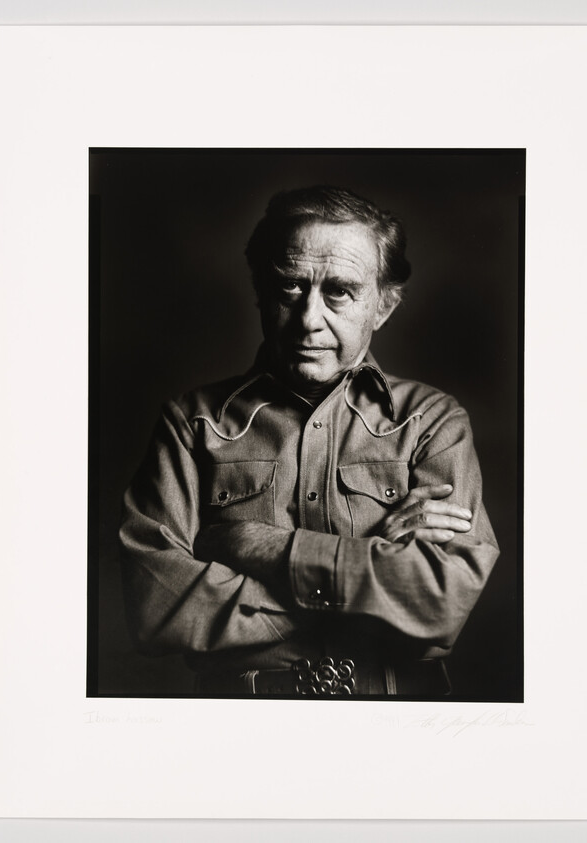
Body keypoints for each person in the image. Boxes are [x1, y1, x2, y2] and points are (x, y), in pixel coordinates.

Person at [120, 185, 499, 697]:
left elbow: (438, 602)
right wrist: (369, 583)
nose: (308, 320)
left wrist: (256, 544)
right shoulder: (192, 424)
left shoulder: (432, 422)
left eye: (339, 291)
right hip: (241, 729)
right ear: (260, 290)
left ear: (383, 307)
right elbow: (156, 608)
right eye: (290, 287)